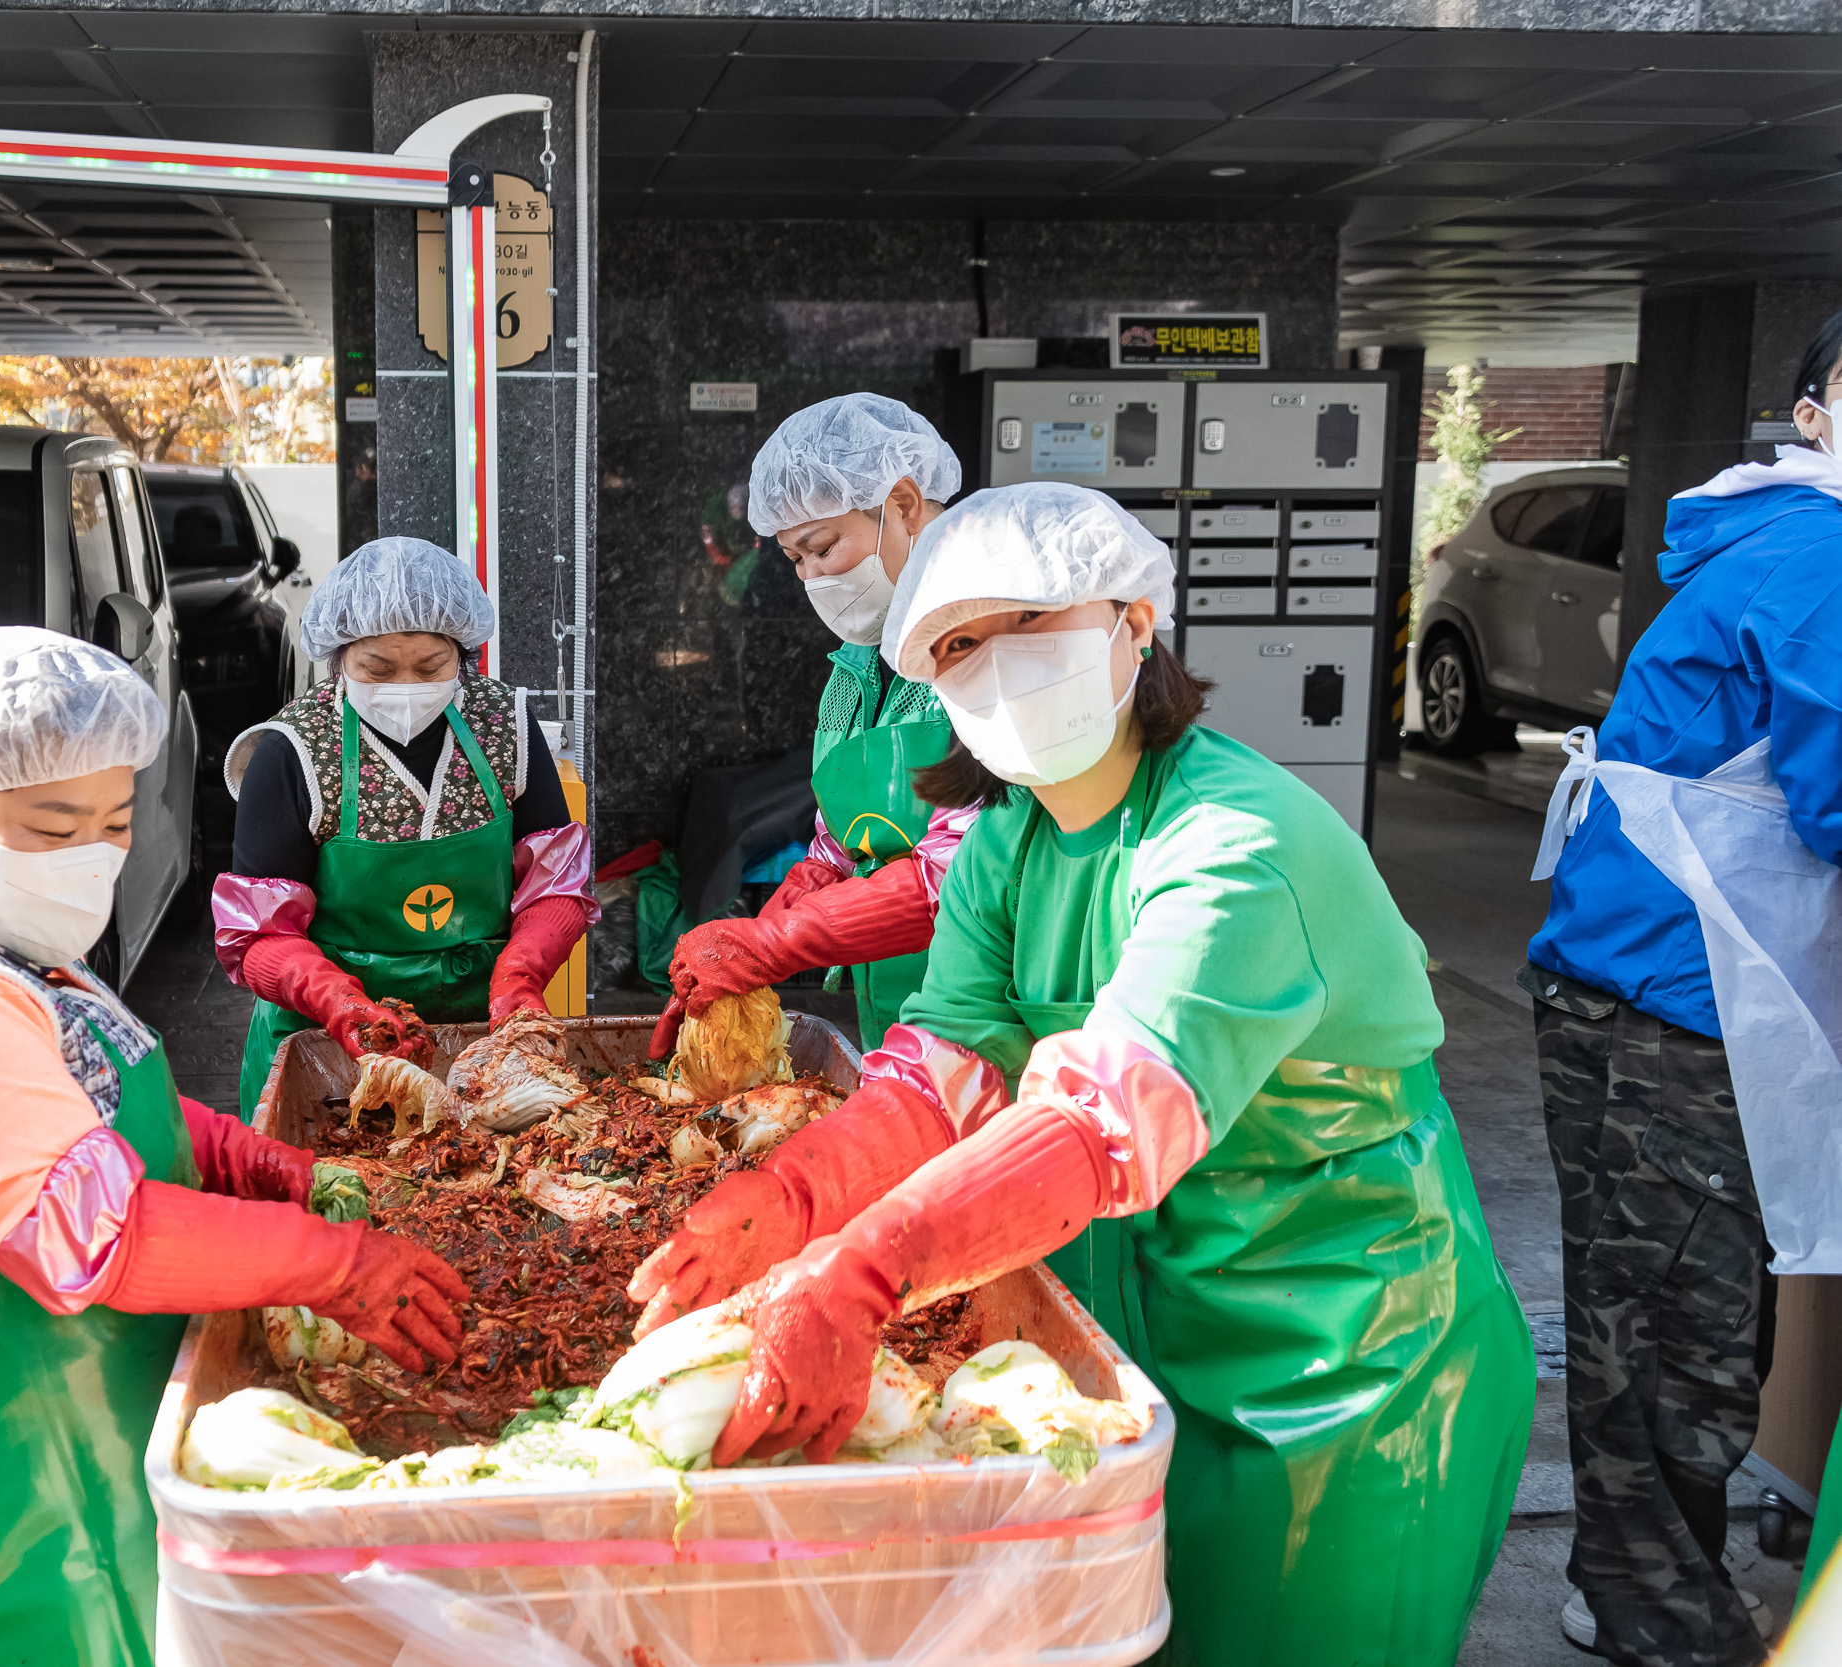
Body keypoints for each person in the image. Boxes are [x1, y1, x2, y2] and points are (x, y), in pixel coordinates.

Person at [630, 483, 1534, 1667]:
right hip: (1137, 1322)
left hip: (1341, 1353)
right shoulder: (1007, 841)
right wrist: (786, 1200)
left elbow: (1097, 1119)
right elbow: (934, 1073)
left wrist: (857, 1273)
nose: (997, 666)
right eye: (958, 646)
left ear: (1134, 623)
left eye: (1032, 624)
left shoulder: (1236, 845)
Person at [0, 626, 468, 1666]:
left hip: (69, 1378)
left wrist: (243, 1155)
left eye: (115, 819)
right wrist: (338, 1264)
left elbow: (78, 1106)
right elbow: (101, 1233)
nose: (92, 852)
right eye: (51, 823)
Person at [1522, 311, 1842, 1667]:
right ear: (1814, 407)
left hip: (1628, 974)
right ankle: (1671, 1625)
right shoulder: (1828, 547)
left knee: (1633, 1304)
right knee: (1680, 1325)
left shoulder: (1767, 530)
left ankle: (1630, 1584)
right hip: (1680, 992)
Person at [215, 536, 596, 1107]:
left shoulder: (505, 728)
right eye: (378, 667)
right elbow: (258, 934)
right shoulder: (291, 750)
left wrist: (521, 976)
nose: (407, 688)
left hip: (483, 1036)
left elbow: (557, 885)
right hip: (328, 1041)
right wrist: (336, 1000)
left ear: (464, 653)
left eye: (431, 666)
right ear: (339, 655)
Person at [652, 394, 965, 1060]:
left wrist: (771, 946)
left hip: (994, 1011)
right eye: (795, 559)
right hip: (900, 1013)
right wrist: (773, 916)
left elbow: (957, 875)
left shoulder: (981, 651)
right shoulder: (854, 673)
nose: (812, 576)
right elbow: (839, 838)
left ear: (904, 506)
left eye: (822, 547)